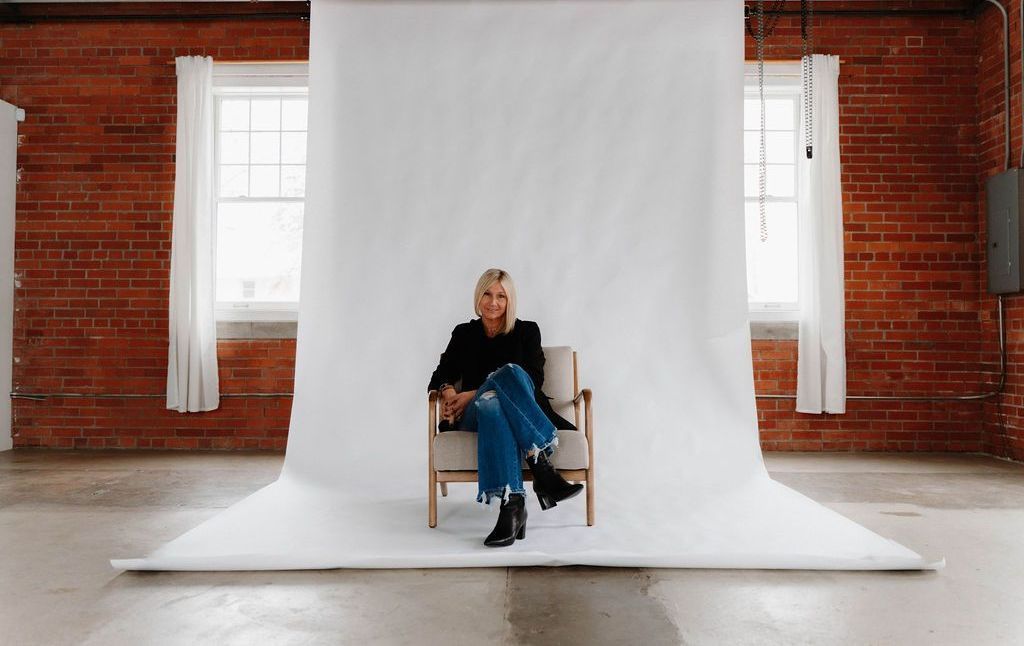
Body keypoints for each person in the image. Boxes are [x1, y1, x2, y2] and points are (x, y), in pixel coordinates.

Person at [428, 268, 584, 547]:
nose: (493, 302)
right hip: (470, 417)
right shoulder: (464, 334)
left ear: (510, 300)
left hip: (495, 410)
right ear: (478, 296)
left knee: (495, 398)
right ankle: (541, 467)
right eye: (487, 293)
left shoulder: (527, 331)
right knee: (491, 397)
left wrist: (474, 393)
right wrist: (451, 392)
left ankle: (513, 507)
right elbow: (440, 374)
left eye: (501, 295)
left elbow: (533, 381)